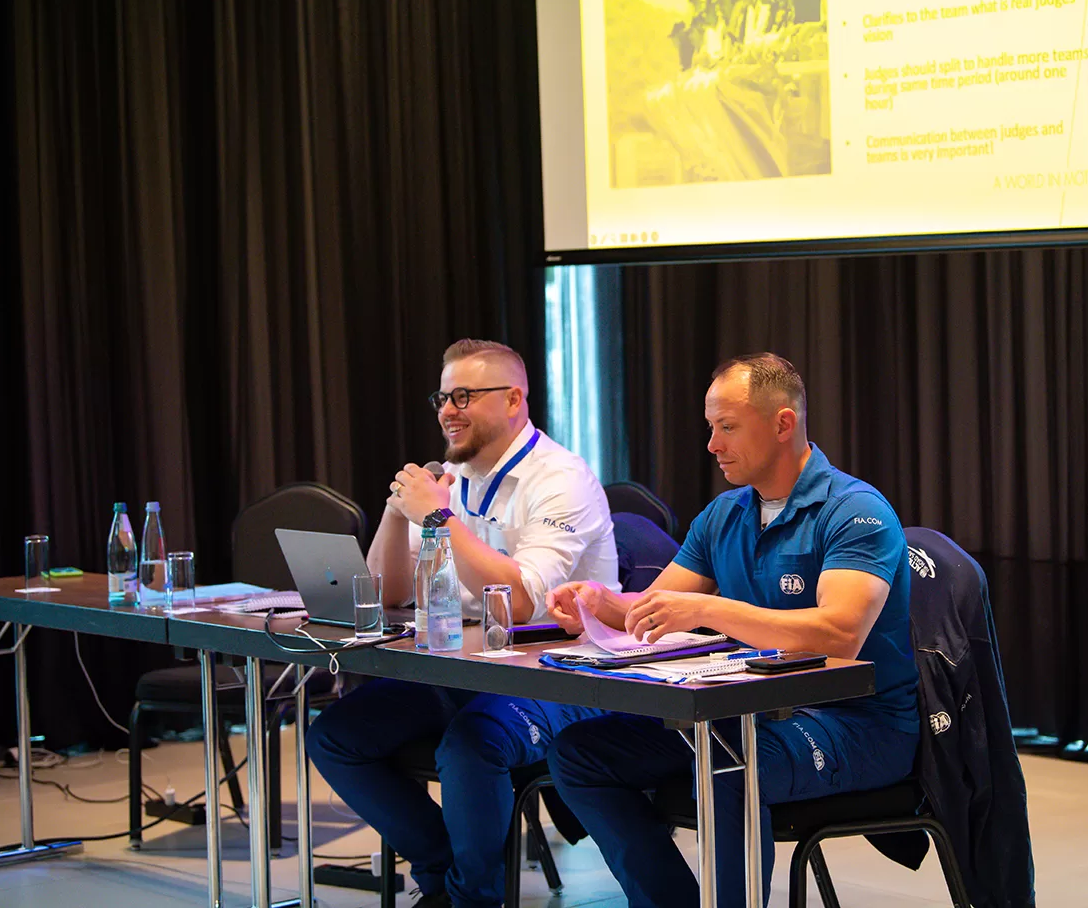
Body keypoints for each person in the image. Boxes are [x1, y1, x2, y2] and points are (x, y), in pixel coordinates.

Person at [544, 352, 920, 908]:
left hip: (860, 726)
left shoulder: (856, 510)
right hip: (746, 717)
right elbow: (652, 608)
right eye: (710, 427)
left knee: (728, 767)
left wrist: (710, 611)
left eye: (726, 427)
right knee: (580, 753)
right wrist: (601, 603)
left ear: (783, 423)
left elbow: (839, 635)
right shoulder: (725, 513)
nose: (712, 445)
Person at [308, 338, 620, 908]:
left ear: (513, 401)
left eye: (464, 396)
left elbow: (521, 600)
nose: (447, 410)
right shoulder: (449, 479)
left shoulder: (560, 477)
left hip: (562, 672)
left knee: (472, 745)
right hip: (469, 667)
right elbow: (388, 594)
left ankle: (473, 899)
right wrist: (398, 506)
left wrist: (435, 514)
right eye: (442, 397)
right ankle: (442, 875)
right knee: (336, 736)